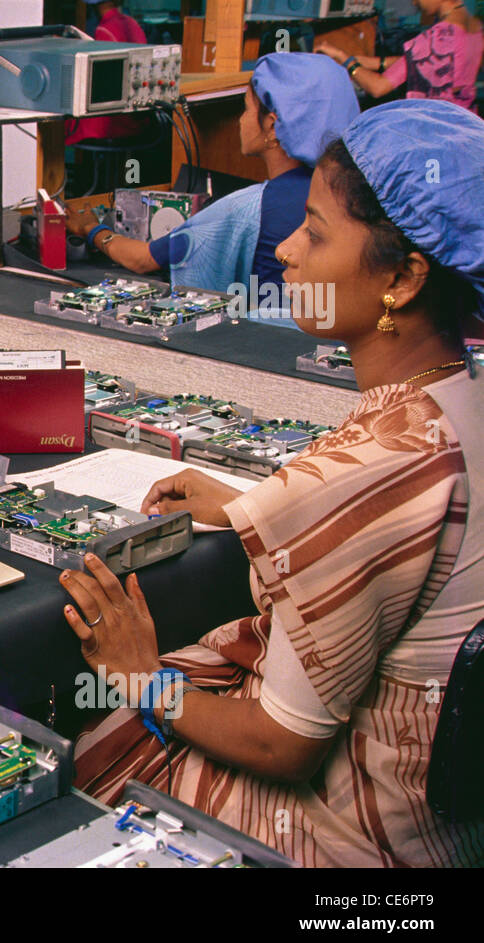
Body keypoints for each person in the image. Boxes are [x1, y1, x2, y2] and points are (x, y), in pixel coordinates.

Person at [61, 99, 484, 866]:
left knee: (81, 756)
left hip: (345, 842)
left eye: (315, 233)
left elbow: (280, 745)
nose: (285, 250)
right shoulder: (459, 400)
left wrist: (138, 676)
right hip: (450, 834)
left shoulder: (362, 475)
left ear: (404, 277)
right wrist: (260, 502)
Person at [66, 52, 358, 321]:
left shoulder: (246, 209)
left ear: (271, 126)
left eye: (244, 109)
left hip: (266, 349)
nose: (240, 122)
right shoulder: (352, 195)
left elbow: (142, 260)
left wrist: (91, 229)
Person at [317, 0, 483, 113]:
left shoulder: (436, 36)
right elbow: (433, 61)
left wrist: (344, 59)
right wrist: (369, 62)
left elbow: (378, 88)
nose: (414, 2)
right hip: (466, 120)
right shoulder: (475, 26)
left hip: (438, 130)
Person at [67, 0, 150, 146]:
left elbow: (101, 81)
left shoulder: (104, 30)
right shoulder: (132, 23)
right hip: (139, 117)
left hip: (116, 121)